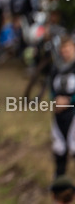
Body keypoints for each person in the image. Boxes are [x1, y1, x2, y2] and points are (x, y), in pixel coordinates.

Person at [51, 37, 75, 177]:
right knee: (59, 148)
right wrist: (55, 101)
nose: (65, 52)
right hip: (59, 114)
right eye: (63, 50)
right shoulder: (56, 68)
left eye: (68, 49)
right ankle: (59, 182)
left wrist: (69, 100)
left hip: (73, 112)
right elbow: (51, 88)